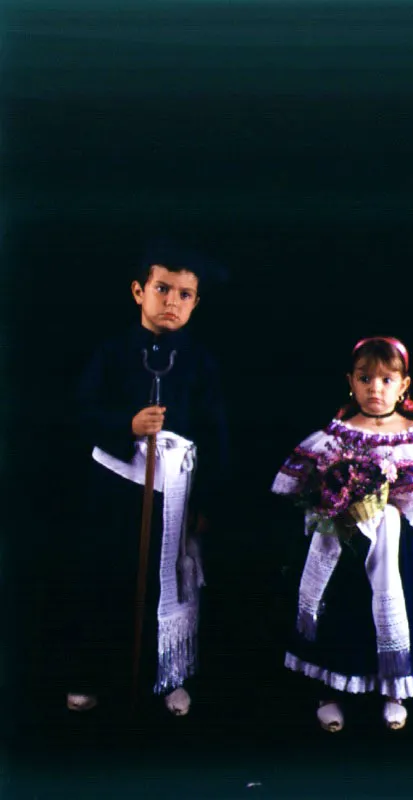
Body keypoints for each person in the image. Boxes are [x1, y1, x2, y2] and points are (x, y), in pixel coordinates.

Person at [271, 336, 413, 731]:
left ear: (404, 385)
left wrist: (389, 509)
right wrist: (335, 501)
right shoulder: (338, 433)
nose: (375, 389)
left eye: (386, 380)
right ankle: (329, 689)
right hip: (344, 542)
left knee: (395, 607)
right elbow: (310, 487)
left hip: (394, 548)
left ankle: (393, 690)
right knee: (342, 612)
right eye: (365, 379)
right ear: (350, 381)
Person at [65, 240, 229, 716]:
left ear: (196, 302)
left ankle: (167, 676)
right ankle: (93, 672)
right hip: (115, 490)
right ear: (139, 291)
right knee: (107, 577)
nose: (171, 301)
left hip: (176, 494)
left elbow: (217, 436)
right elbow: (79, 412)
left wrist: (208, 506)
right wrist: (127, 426)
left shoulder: (201, 363)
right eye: (162, 289)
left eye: (184, 293)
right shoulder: (112, 353)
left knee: (170, 582)